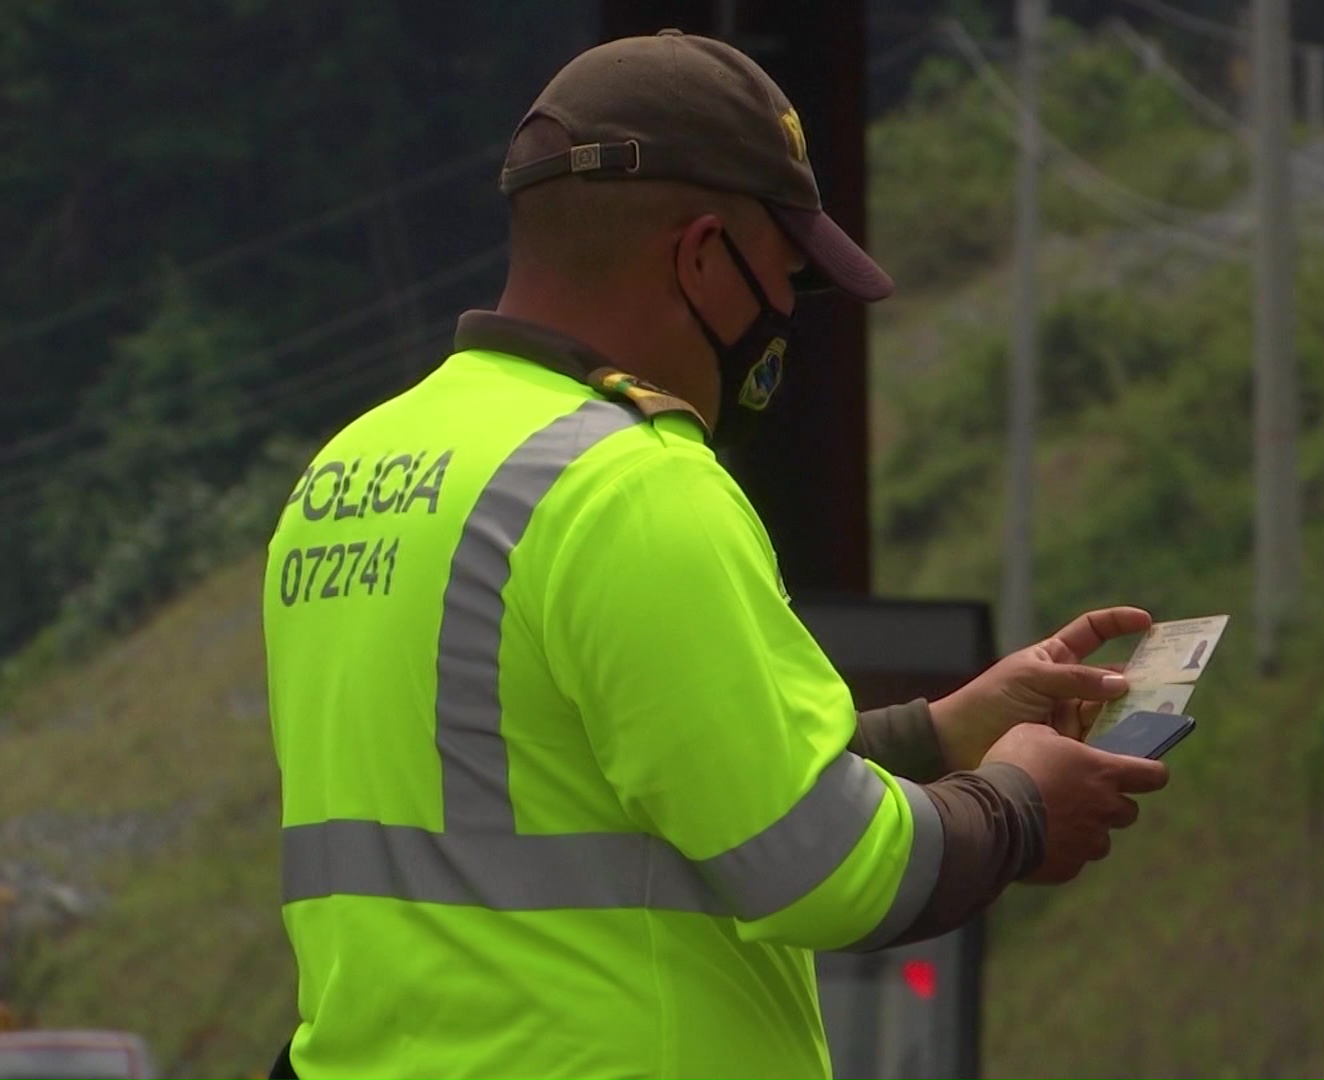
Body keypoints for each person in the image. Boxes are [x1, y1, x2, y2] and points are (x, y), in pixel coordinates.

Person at [261, 30, 1171, 1080]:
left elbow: (620, 792)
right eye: (782, 277)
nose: (783, 318)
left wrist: (940, 734)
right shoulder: (628, 482)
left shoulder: (348, 475)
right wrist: (1018, 802)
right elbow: (832, 873)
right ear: (700, 257)